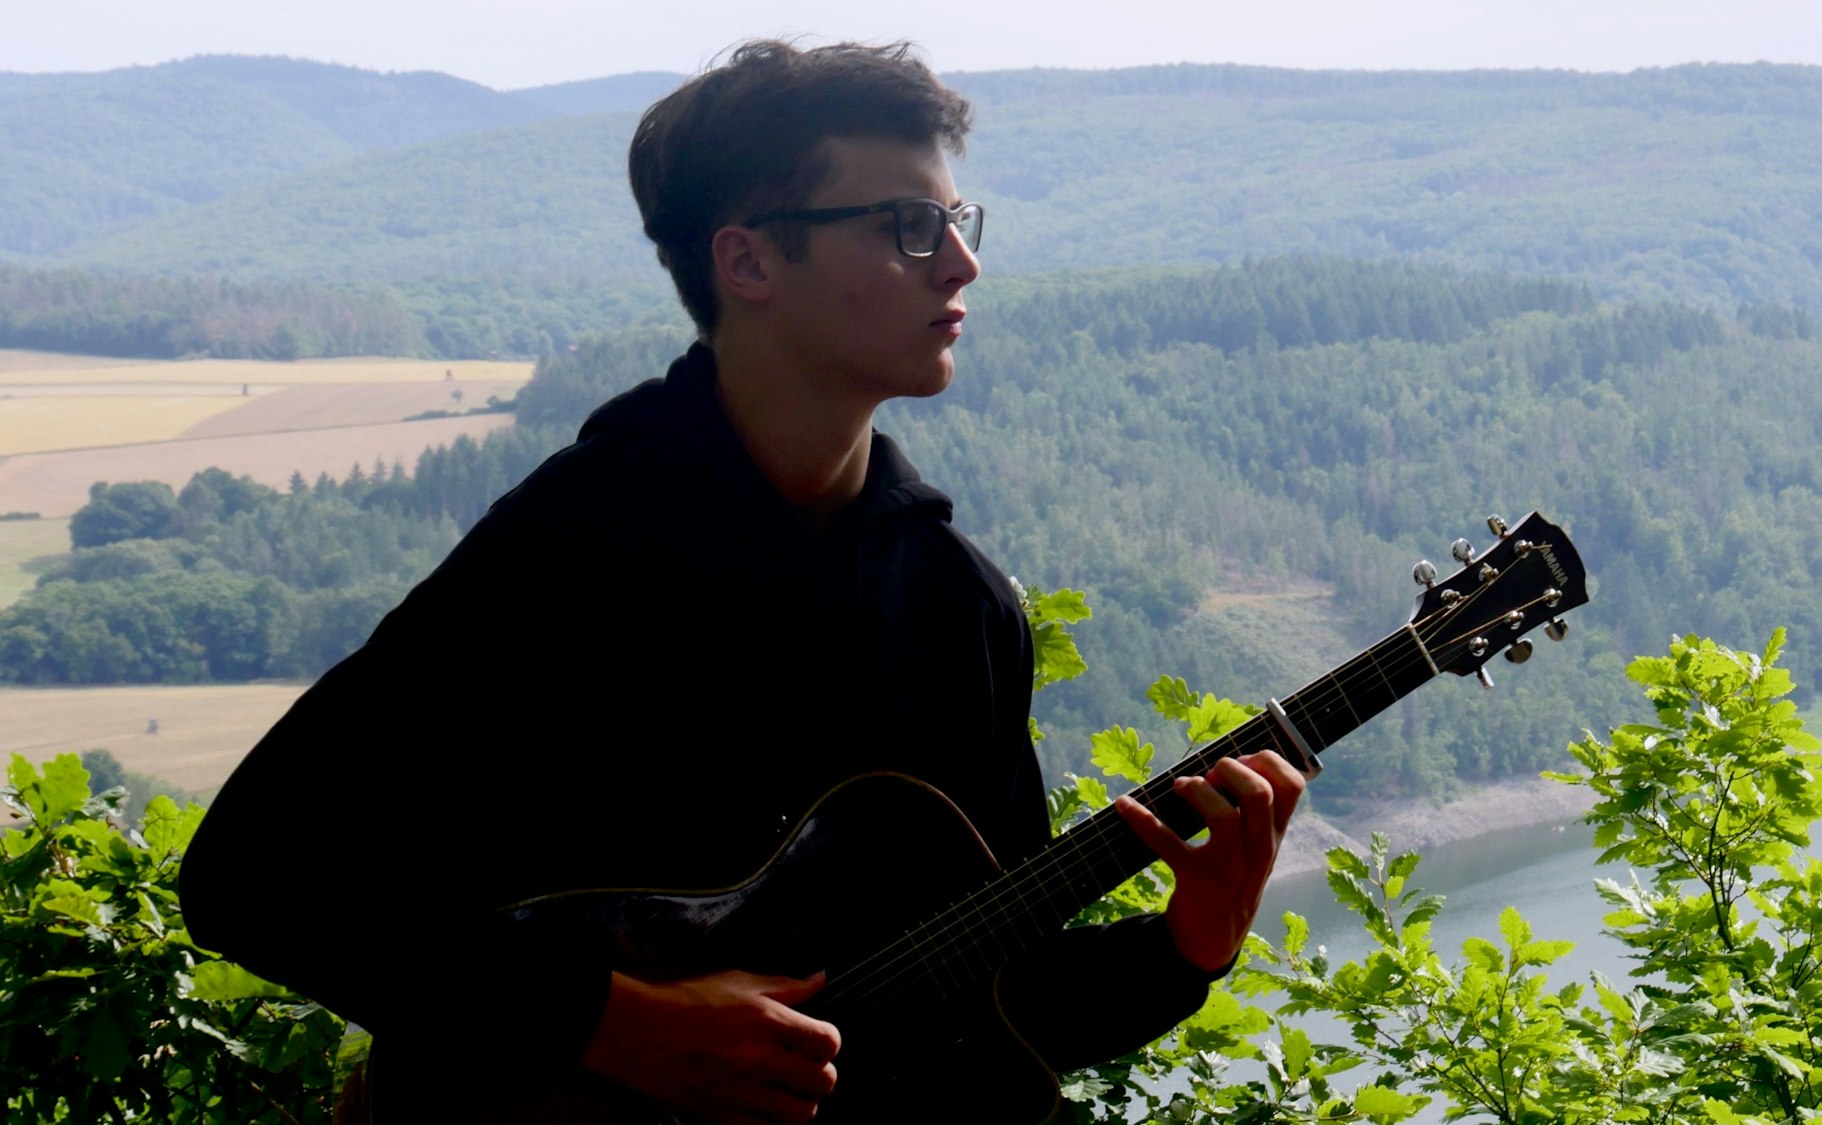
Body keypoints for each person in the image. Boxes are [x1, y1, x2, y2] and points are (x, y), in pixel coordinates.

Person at [181, 39, 1303, 1125]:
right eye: (908, 227)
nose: (961, 263)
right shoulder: (571, 549)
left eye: (956, 222)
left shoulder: (957, 609)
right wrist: (607, 1024)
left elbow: (978, 1012)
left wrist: (1184, 947)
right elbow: (252, 874)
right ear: (749, 260)